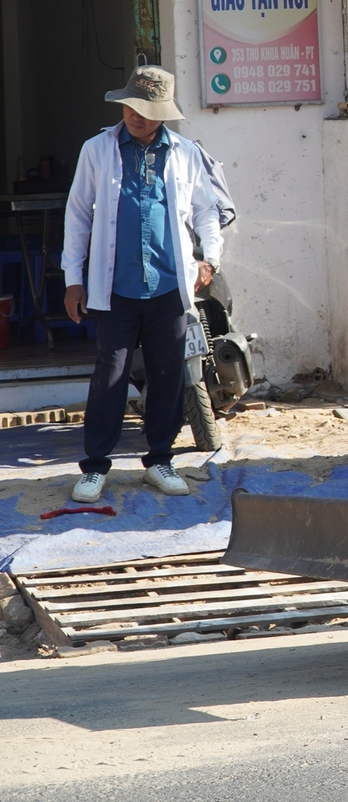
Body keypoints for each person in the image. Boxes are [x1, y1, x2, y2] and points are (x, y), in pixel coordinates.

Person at [62, 66, 225, 504]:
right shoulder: (97, 150)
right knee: (110, 375)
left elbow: (207, 210)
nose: (136, 116)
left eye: (147, 110)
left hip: (169, 284)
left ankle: (160, 460)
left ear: (164, 114)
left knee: (168, 374)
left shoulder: (186, 153)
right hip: (115, 287)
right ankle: (96, 466)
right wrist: (74, 279)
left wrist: (209, 257)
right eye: (131, 107)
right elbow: (77, 215)